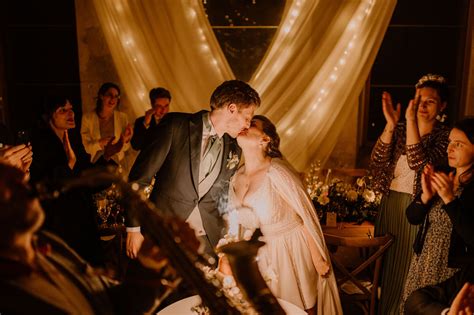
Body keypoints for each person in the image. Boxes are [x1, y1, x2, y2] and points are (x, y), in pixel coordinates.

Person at [0, 162, 173, 314]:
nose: (23, 180)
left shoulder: (48, 243)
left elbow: (116, 303)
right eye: (5, 178)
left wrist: (150, 263)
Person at [126, 80, 260, 259]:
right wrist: (133, 229)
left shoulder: (234, 147)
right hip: (165, 233)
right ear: (232, 108)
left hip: (208, 241)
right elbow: (139, 179)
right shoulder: (175, 126)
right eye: (247, 117)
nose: (247, 125)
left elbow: (221, 195)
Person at [227, 115, 342, 314]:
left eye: (253, 124)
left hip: (290, 249)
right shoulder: (236, 176)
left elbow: (303, 214)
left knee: (297, 307)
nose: (245, 125)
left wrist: (317, 258)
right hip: (258, 254)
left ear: (266, 139)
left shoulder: (277, 171)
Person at [370, 74, 451, 314]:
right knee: (385, 270)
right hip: (390, 206)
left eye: (431, 101)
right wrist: (391, 126)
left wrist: (410, 122)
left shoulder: (445, 137)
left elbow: (420, 163)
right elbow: (377, 163)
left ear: (443, 106)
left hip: (415, 211)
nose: (422, 106)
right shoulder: (399, 129)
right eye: (419, 99)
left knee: (406, 271)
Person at [403, 117, 474, 314]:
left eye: (458, 144)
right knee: (415, 305)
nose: (450, 148)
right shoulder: (442, 171)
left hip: (453, 271)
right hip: (424, 260)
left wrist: (450, 200)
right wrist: (425, 196)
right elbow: (412, 217)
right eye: (450, 142)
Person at [29, 96, 103, 266]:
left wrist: (107, 155)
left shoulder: (74, 140)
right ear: (47, 116)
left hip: (83, 219)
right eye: (63, 110)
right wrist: (68, 164)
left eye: (71, 109)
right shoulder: (38, 145)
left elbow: (88, 178)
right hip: (59, 224)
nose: (71, 113)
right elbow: (42, 187)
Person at [81, 82, 133, 176]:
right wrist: (99, 143)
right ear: (101, 96)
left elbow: (126, 147)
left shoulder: (122, 117)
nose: (113, 99)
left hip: (117, 165)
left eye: (116, 96)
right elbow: (86, 147)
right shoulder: (88, 118)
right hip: (97, 165)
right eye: (110, 95)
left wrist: (125, 140)